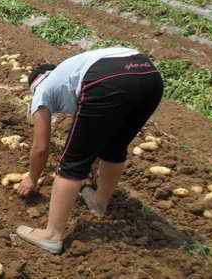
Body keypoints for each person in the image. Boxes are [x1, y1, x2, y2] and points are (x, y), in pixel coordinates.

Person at [15, 47, 164, 254]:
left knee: (72, 163)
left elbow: (41, 148)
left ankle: (52, 235)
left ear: (35, 83)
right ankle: (99, 203)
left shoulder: (41, 89)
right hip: (149, 75)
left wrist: (32, 177)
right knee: (114, 147)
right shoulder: (69, 75)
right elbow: (90, 131)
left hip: (107, 77)